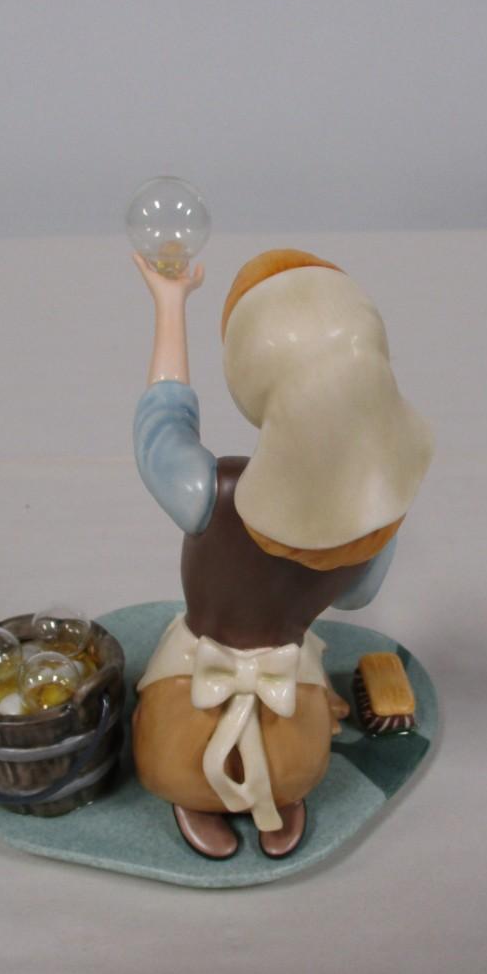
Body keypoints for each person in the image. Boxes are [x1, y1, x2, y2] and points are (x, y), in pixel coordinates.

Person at [131, 249, 433, 860]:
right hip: (264, 667)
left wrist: (169, 303)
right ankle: (250, 791)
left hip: (229, 661)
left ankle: (239, 791)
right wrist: (377, 490)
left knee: (190, 752)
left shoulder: (208, 491)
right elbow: (358, 595)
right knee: (286, 753)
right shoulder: (368, 521)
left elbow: (162, 424)